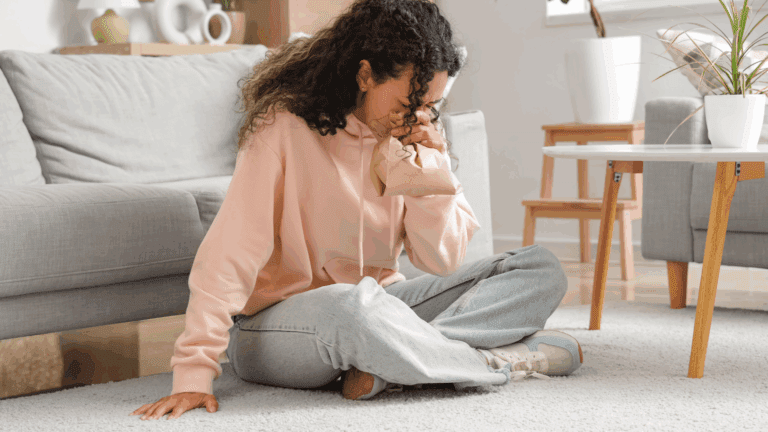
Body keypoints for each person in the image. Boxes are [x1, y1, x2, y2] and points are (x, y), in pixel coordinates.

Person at [131, 0, 582, 421]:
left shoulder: (408, 140)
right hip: (276, 328)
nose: (418, 117)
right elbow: (229, 254)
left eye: (431, 105)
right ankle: (491, 362)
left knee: (538, 268)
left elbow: (440, 261)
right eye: (408, 102)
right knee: (352, 308)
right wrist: (193, 373)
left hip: (379, 309)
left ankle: (387, 366)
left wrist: (433, 169)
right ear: (365, 75)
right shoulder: (282, 128)